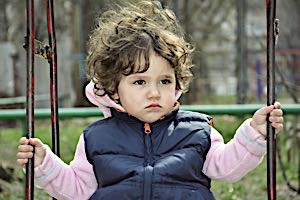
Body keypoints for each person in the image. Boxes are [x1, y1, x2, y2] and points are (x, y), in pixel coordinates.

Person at [16, 1, 284, 199]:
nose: (154, 92)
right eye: (140, 82)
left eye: (164, 81)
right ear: (113, 88)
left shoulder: (198, 132)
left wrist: (254, 134)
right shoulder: (96, 138)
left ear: (177, 84)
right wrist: (44, 163)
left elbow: (228, 168)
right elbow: (76, 189)